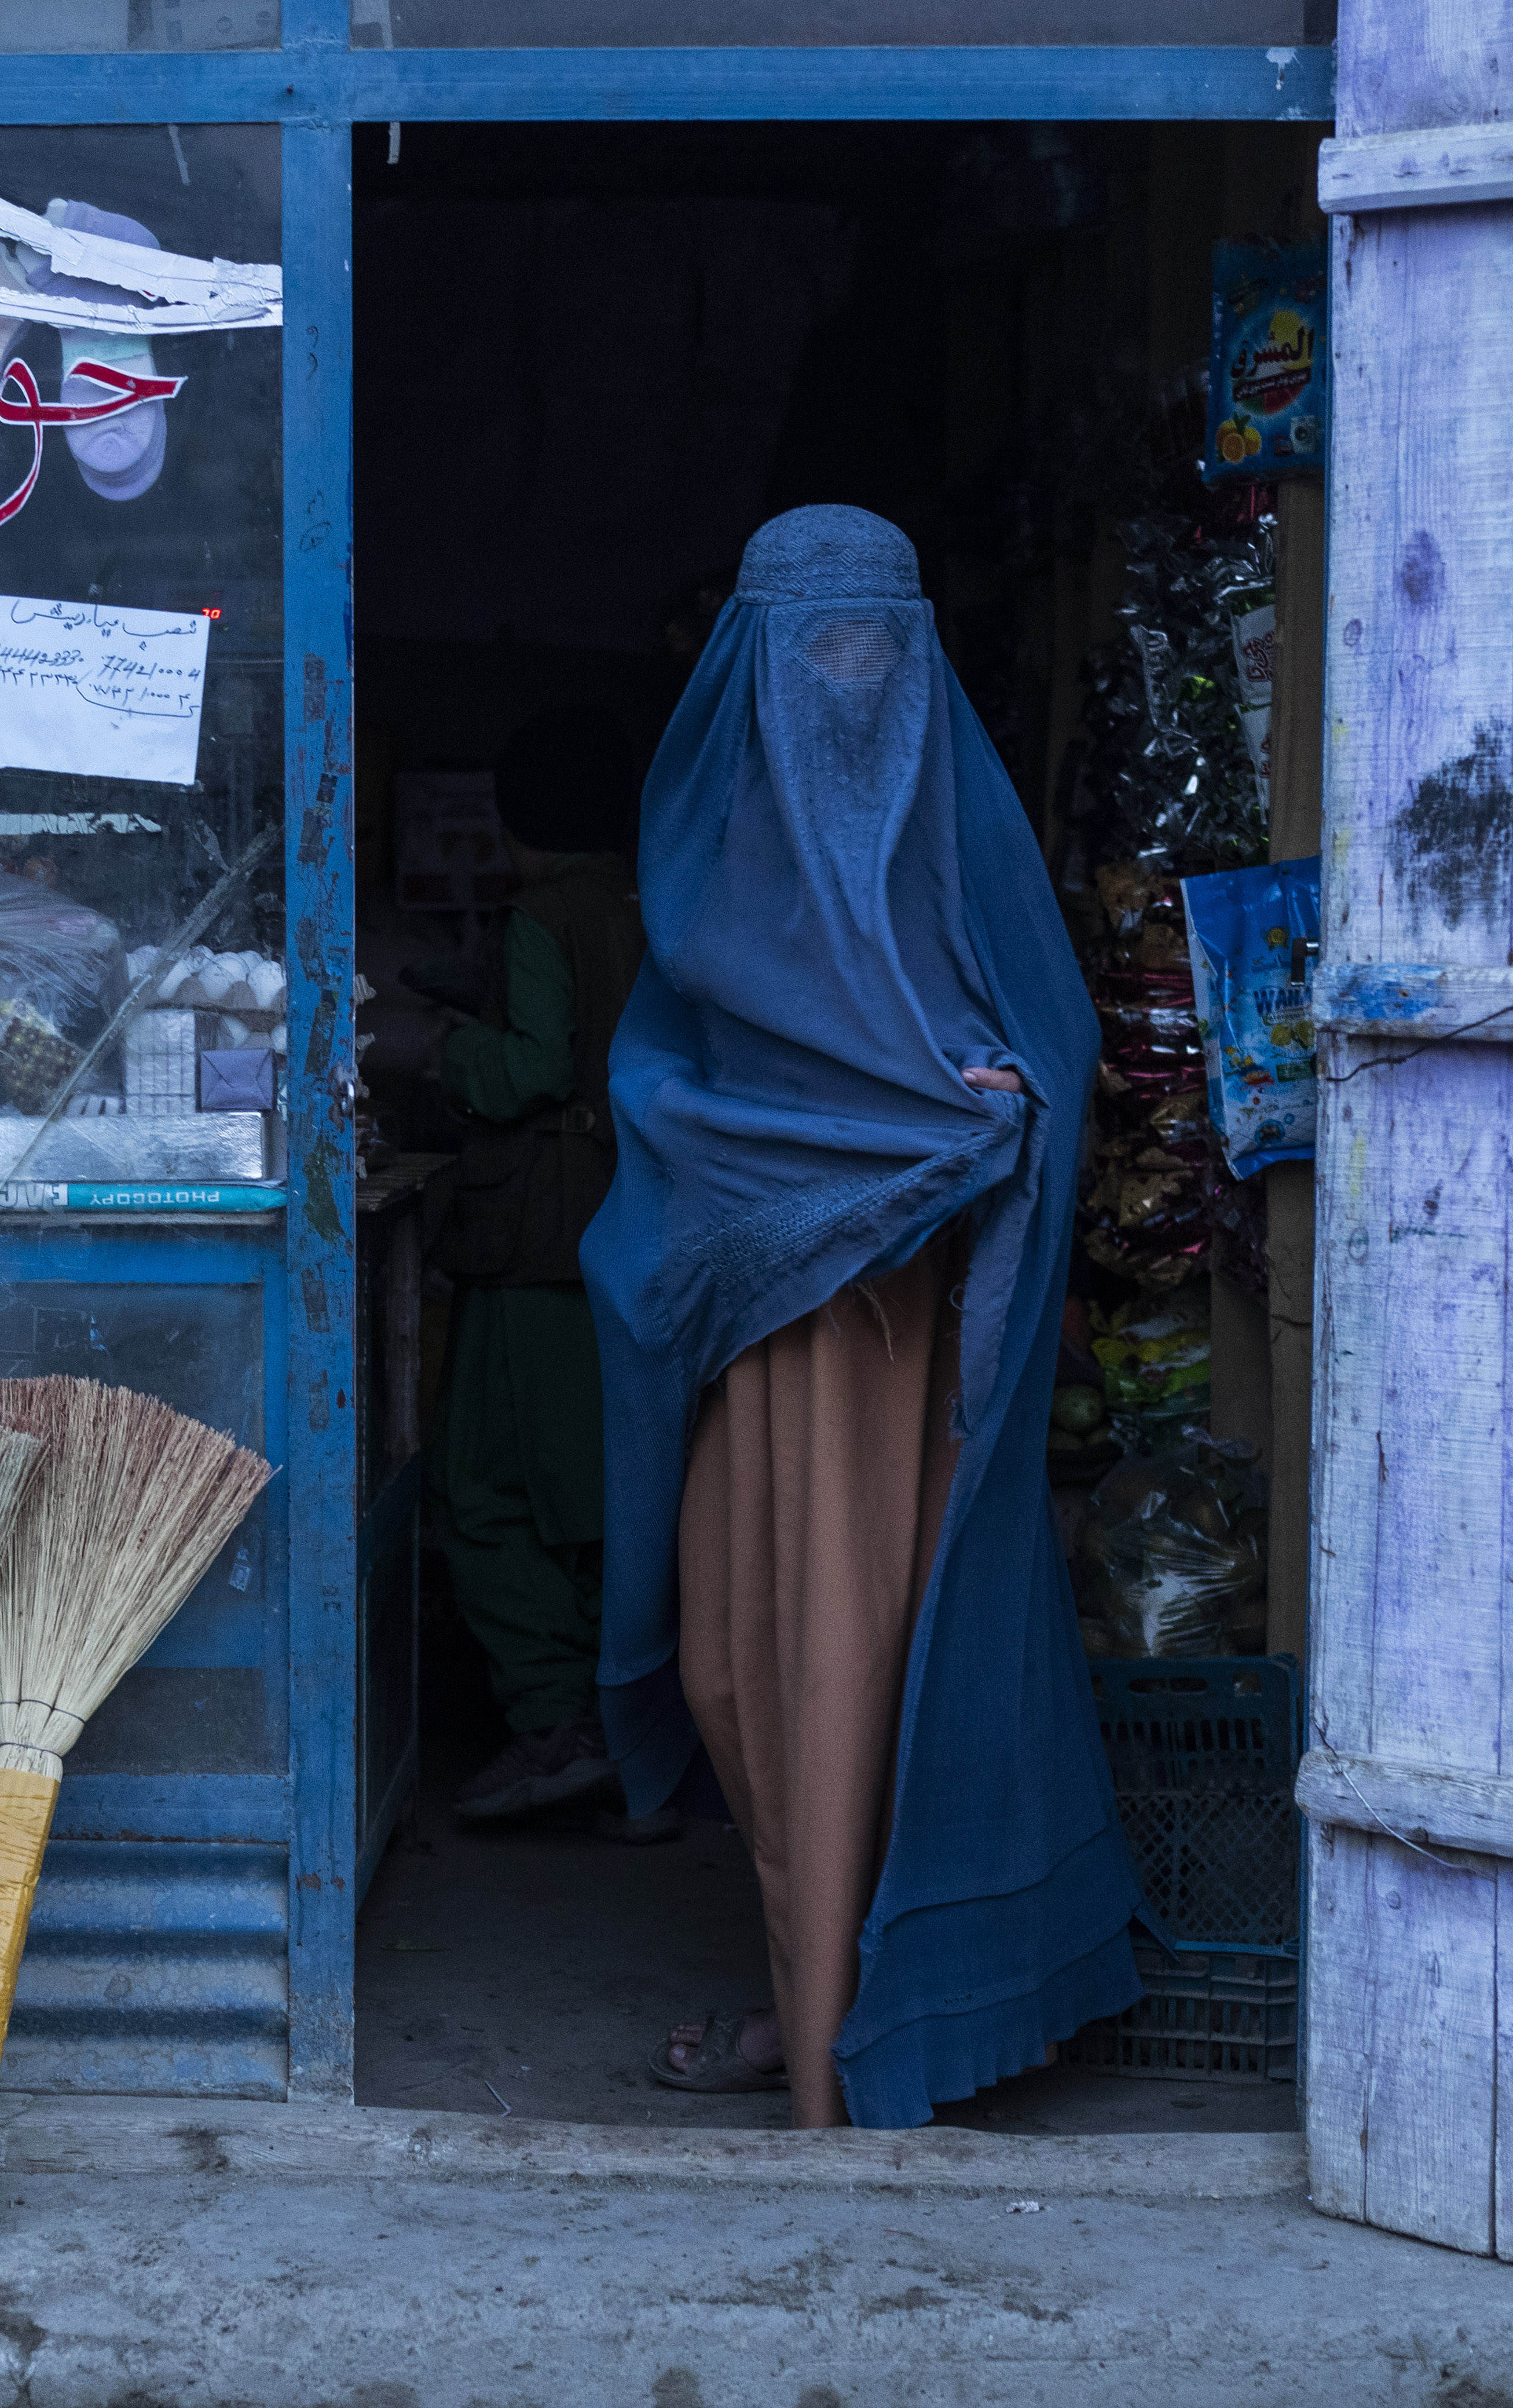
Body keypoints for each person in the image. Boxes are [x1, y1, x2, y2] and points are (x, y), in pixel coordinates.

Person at [585, 503, 1142, 2129]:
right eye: (809, 643)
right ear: (749, 660)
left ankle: (843, 2028)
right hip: (767, 1332)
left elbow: (1048, 1042)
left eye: (873, 643)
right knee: (739, 1673)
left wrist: (992, 1107)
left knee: (863, 1671)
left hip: (916, 1338)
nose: (842, 676)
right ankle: (817, 2000)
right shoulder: (713, 843)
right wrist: (778, 1186)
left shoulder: (951, 834)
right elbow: (667, 1086)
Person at [374, 709, 651, 1823]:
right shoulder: (651, 899)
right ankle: (620, 1726)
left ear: (513, 816)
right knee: (594, 1496)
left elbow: (532, 1068)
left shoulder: (545, 911)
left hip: (538, 1235)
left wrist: (440, 1048)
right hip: (629, 1229)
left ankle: (554, 1726)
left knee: (483, 1488)